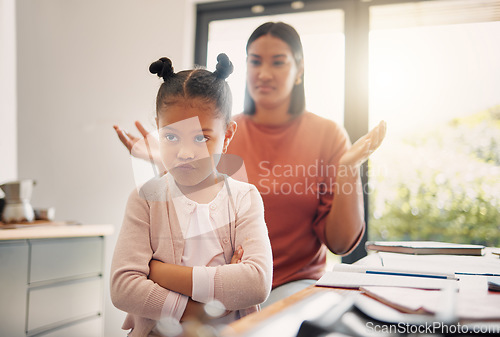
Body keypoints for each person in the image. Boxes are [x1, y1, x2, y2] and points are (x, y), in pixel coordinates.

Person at [114, 22, 386, 307]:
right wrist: (164, 158)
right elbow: (183, 217)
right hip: (216, 281)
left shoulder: (327, 136)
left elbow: (341, 243)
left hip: (290, 284)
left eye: (278, 62)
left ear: (299, 70)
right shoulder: (216, 133)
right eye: (255, 62)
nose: (264, 73)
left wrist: (347, 169)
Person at [110, 54, 273, 337]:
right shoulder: (145, 199)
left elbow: (256, 283)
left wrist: (160, 274)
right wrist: (199, 310)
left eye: (201, 137)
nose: (185, 152)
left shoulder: (245, 198)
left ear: (228, 133)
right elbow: (123, 287)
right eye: (171, 137)